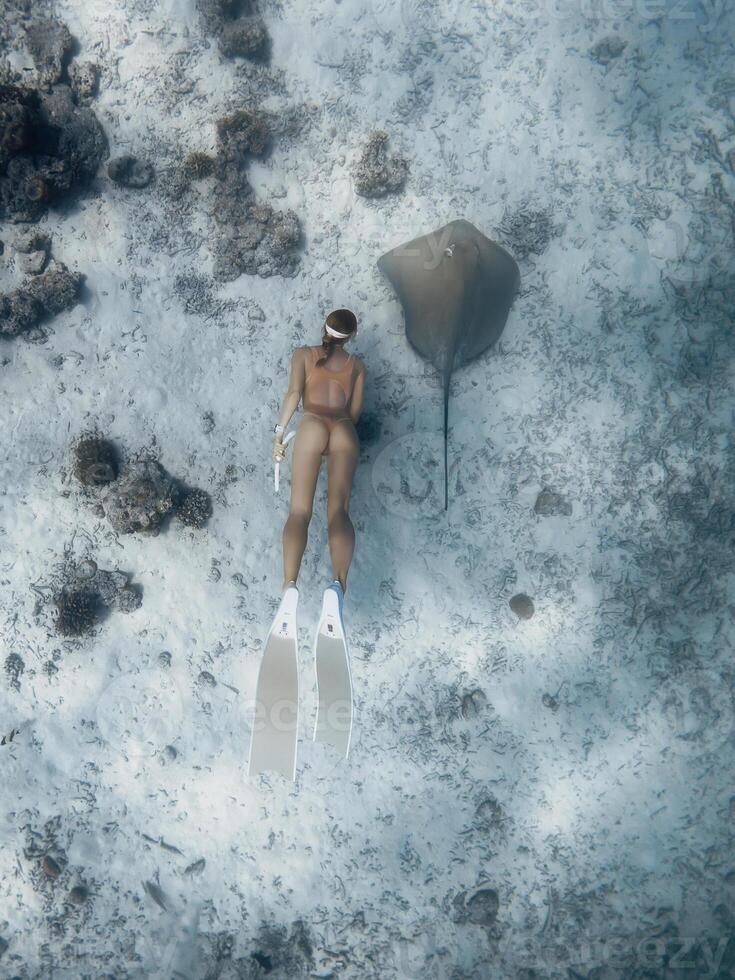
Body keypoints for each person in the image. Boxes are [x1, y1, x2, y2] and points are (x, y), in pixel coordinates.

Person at [272, 308, 367, 599]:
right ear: (351, 337)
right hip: (343, 430)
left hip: (311, 426)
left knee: (299, 512)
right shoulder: (358, 367)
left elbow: (293, 395)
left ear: (324, 328)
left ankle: (290, 585)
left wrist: (280, 434)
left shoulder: (303, 354)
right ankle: (339, 584)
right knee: (339, 512)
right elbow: (354, 414)